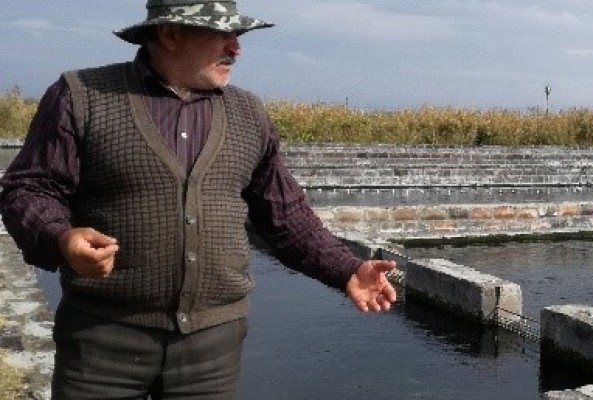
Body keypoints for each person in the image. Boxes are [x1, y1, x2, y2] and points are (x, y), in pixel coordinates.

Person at [0, 1, 398, 398]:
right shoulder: (82, 96)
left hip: (212, 352)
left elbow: (285, 215)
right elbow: (29, 188)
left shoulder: (249, 113)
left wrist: (346, 269)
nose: (236, 48)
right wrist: (60, 238)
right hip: (101, 342)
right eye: (222, 34)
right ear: (170, 34)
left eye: (238, 35)